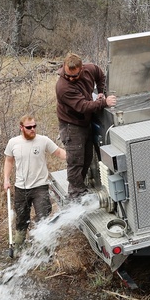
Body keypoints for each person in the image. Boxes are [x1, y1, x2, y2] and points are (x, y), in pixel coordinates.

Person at [55, 53, 117, 197]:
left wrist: (101, 92)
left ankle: (81, 187)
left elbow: (101, 76)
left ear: (82, 69)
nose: (71, 78)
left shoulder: (90, 69)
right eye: (67, 75)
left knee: (87, 157)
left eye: (74, 76)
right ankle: (76, 194)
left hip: (85, 122)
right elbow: (82, 106)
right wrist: (104, 102)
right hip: (71, 125)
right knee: (76, 161)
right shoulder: (63, 87)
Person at [3, 114, 66, 253]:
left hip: (40, 187)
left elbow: (59, 152)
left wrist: (75, 159)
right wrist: (6, 179)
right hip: (21, 188)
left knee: (43, 217)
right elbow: (8, 161)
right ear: (21, 128)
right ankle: (18, 246)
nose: (33, 129)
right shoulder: (13, 143)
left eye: (34, 126)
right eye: (29, 127)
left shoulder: (43, 140)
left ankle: (44, 250)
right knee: (21, 220)